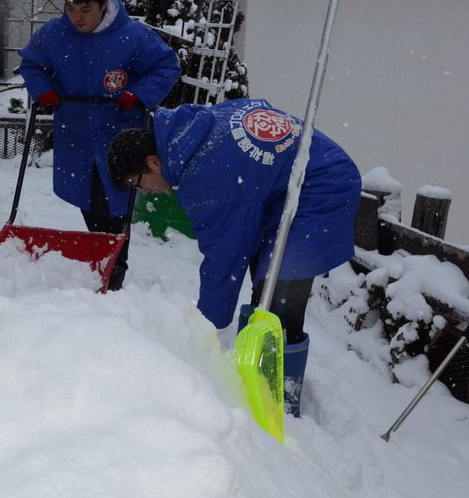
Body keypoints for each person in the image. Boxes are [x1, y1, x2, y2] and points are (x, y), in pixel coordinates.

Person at [106, 99, 361, 416]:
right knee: (264, 287)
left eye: (136, 183)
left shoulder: (208, 175)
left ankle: (279, 402)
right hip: (285, 186)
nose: (143, 193)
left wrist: (201, 336)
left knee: (279, 298)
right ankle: (253, 368)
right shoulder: (190, 134)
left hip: (320, 187)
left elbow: (224, 261)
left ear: (154, 162)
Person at [17, 0, 181, 290]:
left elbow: (166, 66)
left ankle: (114, 272)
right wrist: (44, 90)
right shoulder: (54, 34)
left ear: (104, 3)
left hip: (117, 136)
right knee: (89, 202)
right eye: (70, 8)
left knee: (117, 205)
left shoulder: (132, 36)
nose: (77, 17)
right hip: (75, 136)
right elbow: (32, 63)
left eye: (85, 9)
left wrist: (138, 94)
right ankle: (99, 258)